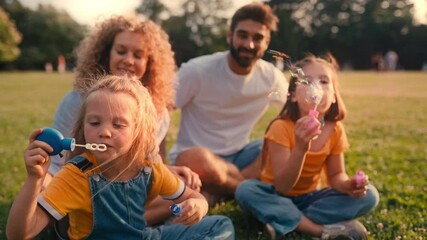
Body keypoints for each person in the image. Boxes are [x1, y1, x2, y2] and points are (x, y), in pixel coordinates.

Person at [6, 75, 235, 240]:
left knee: (219, 224)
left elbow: (194, 196)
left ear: (138, 132)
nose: (105, 131)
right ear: (83, 128)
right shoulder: (76, 175)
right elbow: (19, 234)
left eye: (118, 124)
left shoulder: (149, 170)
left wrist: (198, 204)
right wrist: (34, 180)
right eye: (95, 122)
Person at [45, 16, 201, 225]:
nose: (128, 60)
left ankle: (116, 225)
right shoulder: (77, 101)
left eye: (138, 55)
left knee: (188, 189)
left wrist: (170, 173)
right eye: (121, 51)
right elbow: (55, 165)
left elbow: (146, 165)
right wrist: (41, 186)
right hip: (78, 191)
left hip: (127, 191)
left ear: (150, 62)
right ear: (106, 53)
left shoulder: (158, 110)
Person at [235, 53, 380, 239]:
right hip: (275, 195)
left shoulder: (335, 130)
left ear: (334, 96)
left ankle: (284, 221)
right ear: (293, 96)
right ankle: (319, 230)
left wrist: (347, 185)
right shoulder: (281, 127)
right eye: (307, 81)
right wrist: (301, 148)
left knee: (370, 196)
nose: (316, 86)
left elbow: (336, 175)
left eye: (324, 81)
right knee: (245, 190)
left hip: (311, 199)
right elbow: (282, 187)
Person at [169, 2, 288, 204]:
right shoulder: (197, 71)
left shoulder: (271, 77)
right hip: (198, 159)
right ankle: (252, 195)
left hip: (241, 157)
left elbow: (293, 111)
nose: (249, 44)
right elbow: (161, 110)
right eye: (242, 35)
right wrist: (158, 163)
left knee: (277, 145)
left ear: (267, 42)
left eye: (258, 38)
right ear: (229, 35)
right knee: (195, 159)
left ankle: (220, 191)